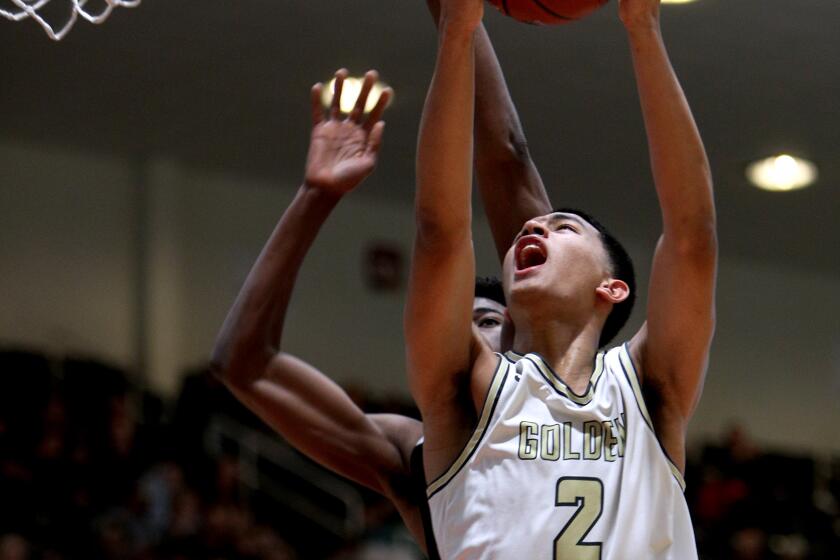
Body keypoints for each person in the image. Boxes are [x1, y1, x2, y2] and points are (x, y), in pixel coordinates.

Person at [407, 0, 716, 557]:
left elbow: (692, 236)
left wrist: (643, 28)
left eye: (563, 226)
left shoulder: (647, 388)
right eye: (534, 227)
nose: (536, 228)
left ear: (611, 287)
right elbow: (440, 234)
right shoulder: (467, 389)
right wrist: (456, 33)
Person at [211, 48, 551, 555]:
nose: (468, 337)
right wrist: (315, 195)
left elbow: (508, 156)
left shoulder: (588, 389)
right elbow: (244, 364)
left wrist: (459, 22)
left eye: (485, 319)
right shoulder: (412, 452)